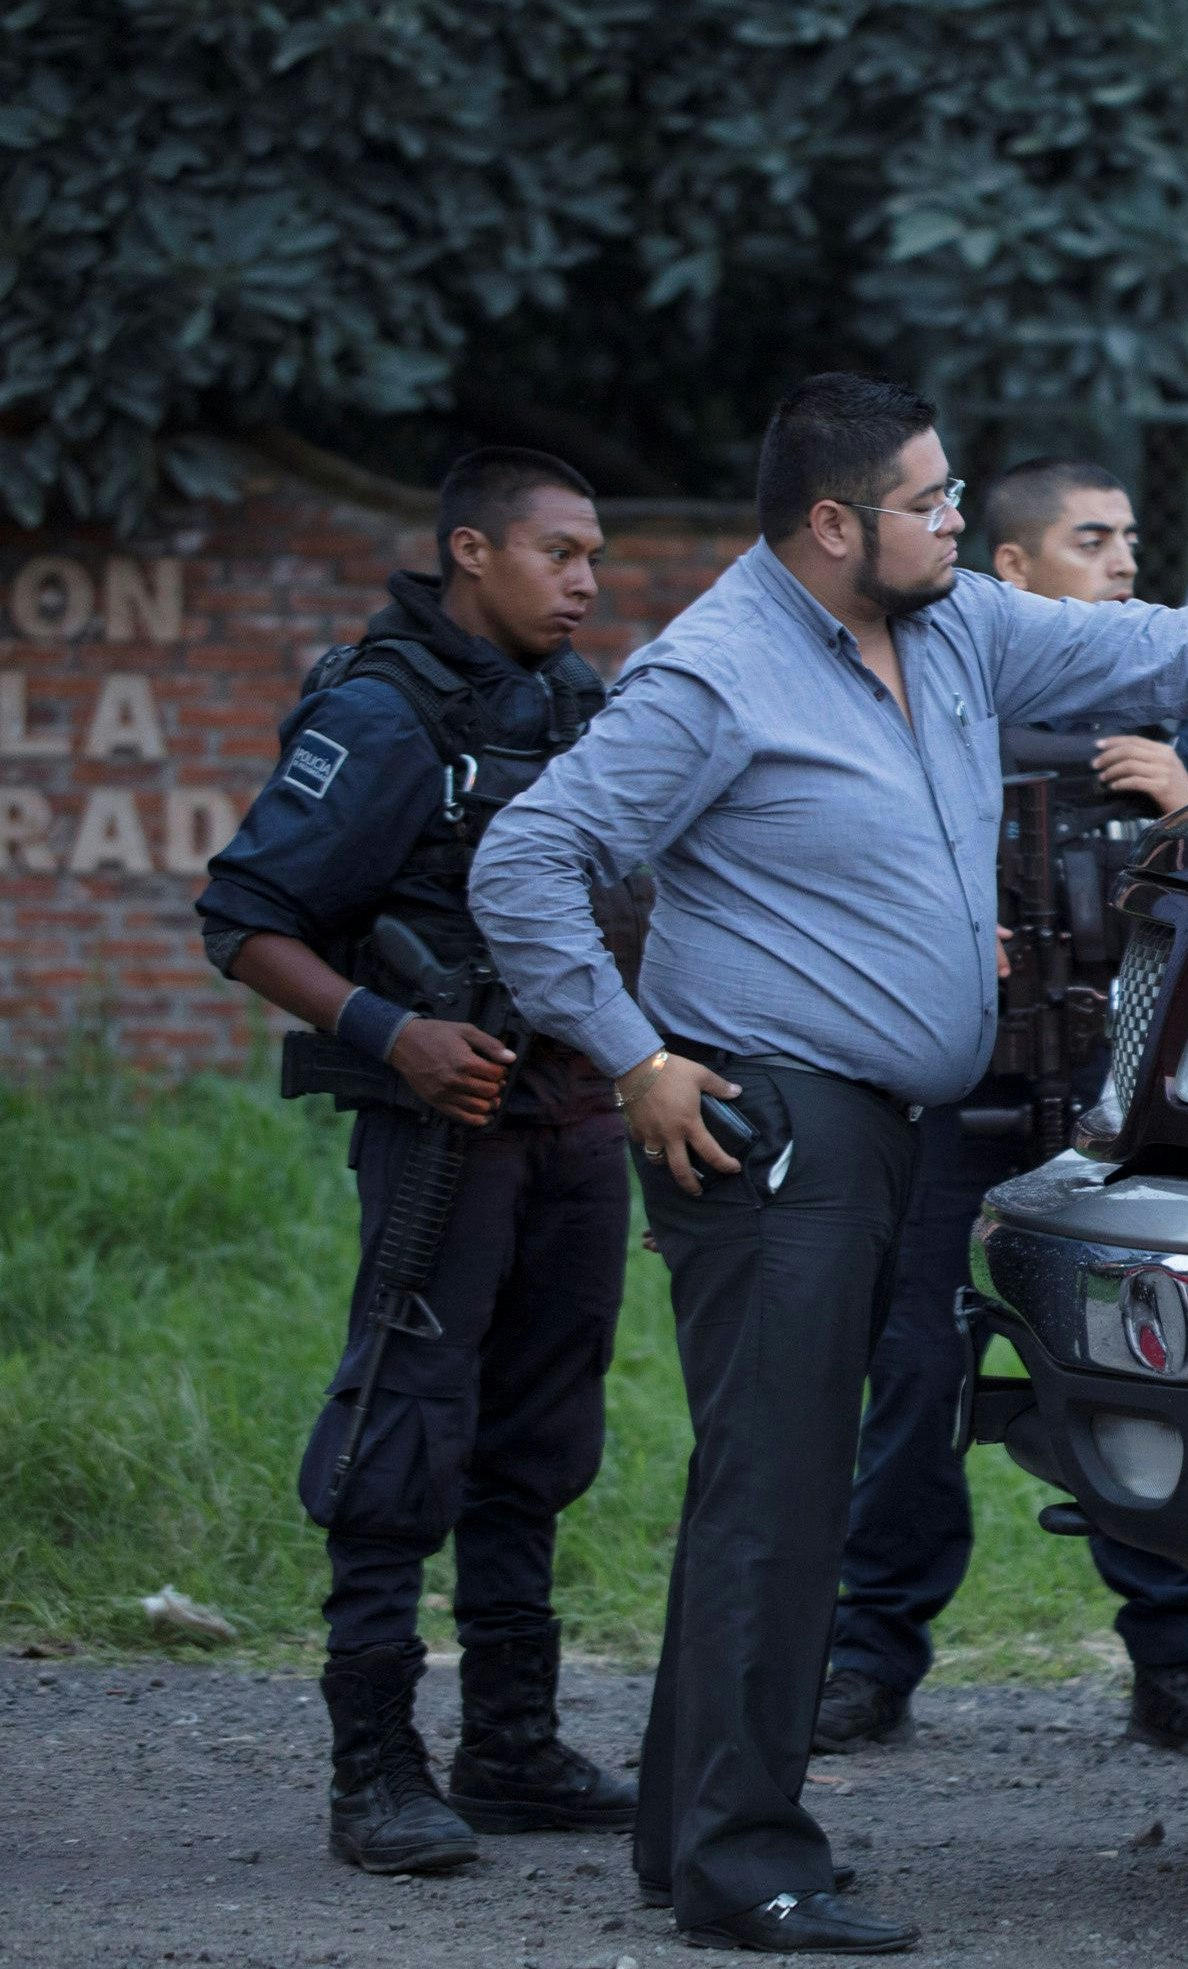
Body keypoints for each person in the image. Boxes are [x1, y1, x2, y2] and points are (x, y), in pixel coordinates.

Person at [468, 373, 1188, 1956]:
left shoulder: (954, 627)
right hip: (773, 1119)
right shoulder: (715, 672)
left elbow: (1174, 646)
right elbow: (527, 860)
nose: (961, 525)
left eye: (959, 499)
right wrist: (634, 1058)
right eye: (933, 503)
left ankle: (685, 1831)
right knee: (778, 1493)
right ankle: (747, 1862)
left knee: (764, 1482)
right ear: (835, 525)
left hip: (870, 1125)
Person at [193, 448, 642, 1875]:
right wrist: (393, 1037)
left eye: (591, 556)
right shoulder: (386, 712)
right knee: (404, 1420)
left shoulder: (580, 705)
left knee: (543, 1428)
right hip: (442, 1126)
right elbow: (243, 916)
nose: (586, 581)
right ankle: (373, 1766)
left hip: (573, 1117)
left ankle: (508, 1742)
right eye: (558, 553)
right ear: (469, 552)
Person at [814, 457, 1188, 1762]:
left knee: (1141, 1384)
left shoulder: (1184, 713)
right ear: (1011, 573)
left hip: (1116, 1127)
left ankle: (1175, 1668)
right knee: (911, 1386)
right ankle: (870, 1660)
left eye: (1132, 537)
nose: (1125, 561)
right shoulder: (927, 703)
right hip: (953, 1113)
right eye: (1091, 540)